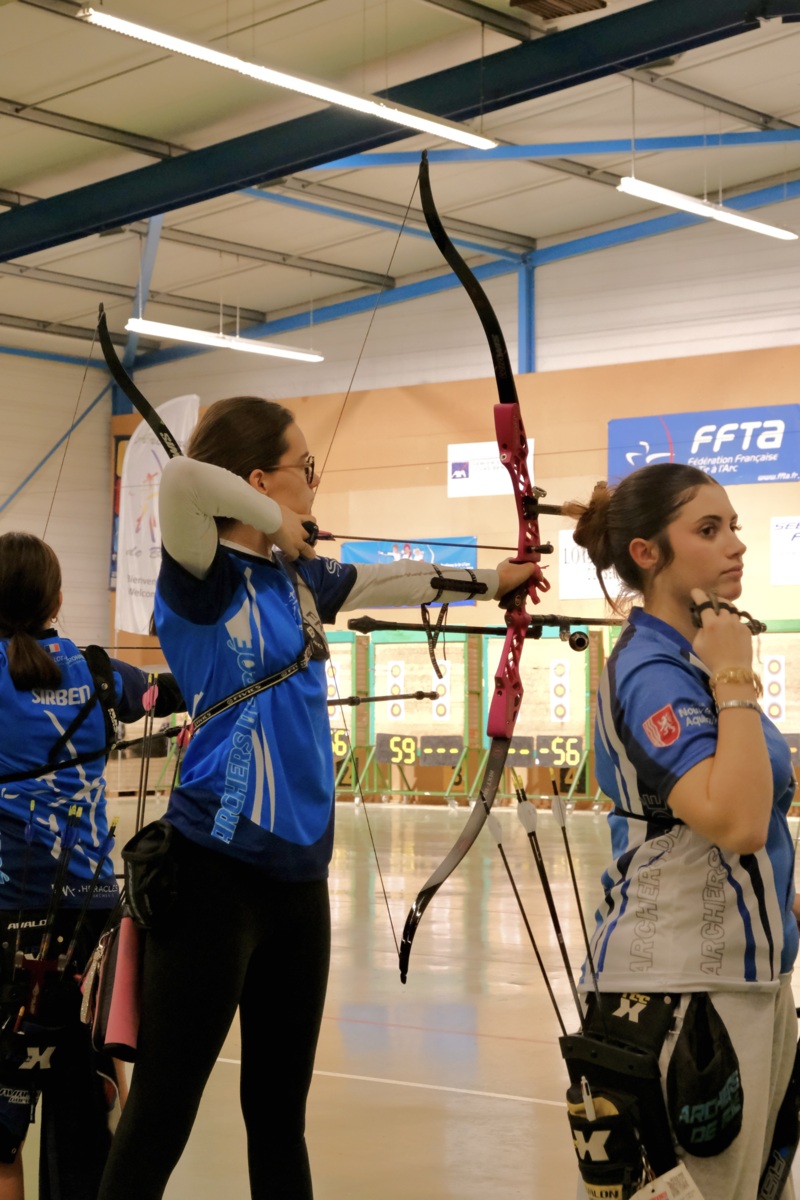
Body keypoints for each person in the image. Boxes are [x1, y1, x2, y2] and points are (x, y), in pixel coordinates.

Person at [97, 394, 536, 1200]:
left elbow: (393, 577)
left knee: (278, 1117)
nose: (313, 482)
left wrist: (496, 580)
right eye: (304, 467)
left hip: (299, 879)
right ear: (259, 481)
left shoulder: (300, 580)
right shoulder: (202, 576)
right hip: (212, 870)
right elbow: (183, 479)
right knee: (162, 1110)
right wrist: (276, 519)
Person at [564, 463, 797, 1200]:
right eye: (708, 528)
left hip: (745, 976)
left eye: (734, 526)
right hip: (678, 988)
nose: (736, 544)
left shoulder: (696, 660)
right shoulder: (654, 670)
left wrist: (781, 898)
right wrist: (736, 677)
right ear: (647, 552)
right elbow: (736, 821)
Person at [0, 531, 183, 1200]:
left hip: (9, 913)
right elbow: (170, 691)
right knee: (91, 1108)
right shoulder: (100, 674)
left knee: (1, 1137)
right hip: (94, 915)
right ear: (56, 600)